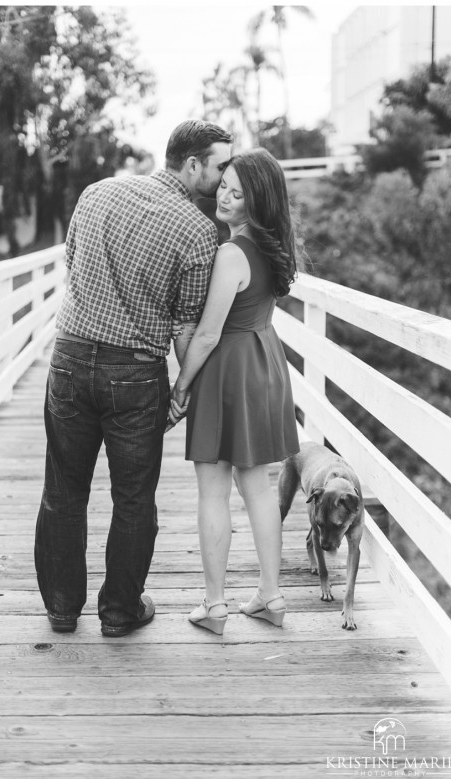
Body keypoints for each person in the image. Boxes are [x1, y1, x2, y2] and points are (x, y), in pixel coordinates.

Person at [35, 120, 232, 637]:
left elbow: (73, 264)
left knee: (63, 488)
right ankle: (120, 611)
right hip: (137, 376)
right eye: (219, 165)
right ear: (192, 164)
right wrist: (185, 389)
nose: (223, 175)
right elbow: (185, 324)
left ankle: (61, 607)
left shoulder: (97, 193)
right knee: (133, 498)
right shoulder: (196, 229)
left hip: (71, 361)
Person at [168, 148, 300, 635]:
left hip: (228, 371)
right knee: (258, 486)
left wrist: (181, 387)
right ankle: (272, 595)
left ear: (256, 201)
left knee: (214, 490)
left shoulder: (231, 253)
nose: (224, 195)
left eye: (237, 193)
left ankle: (216, 603)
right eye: (224, 184)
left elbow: (206, 334)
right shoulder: (271, 246)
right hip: (264, 362)